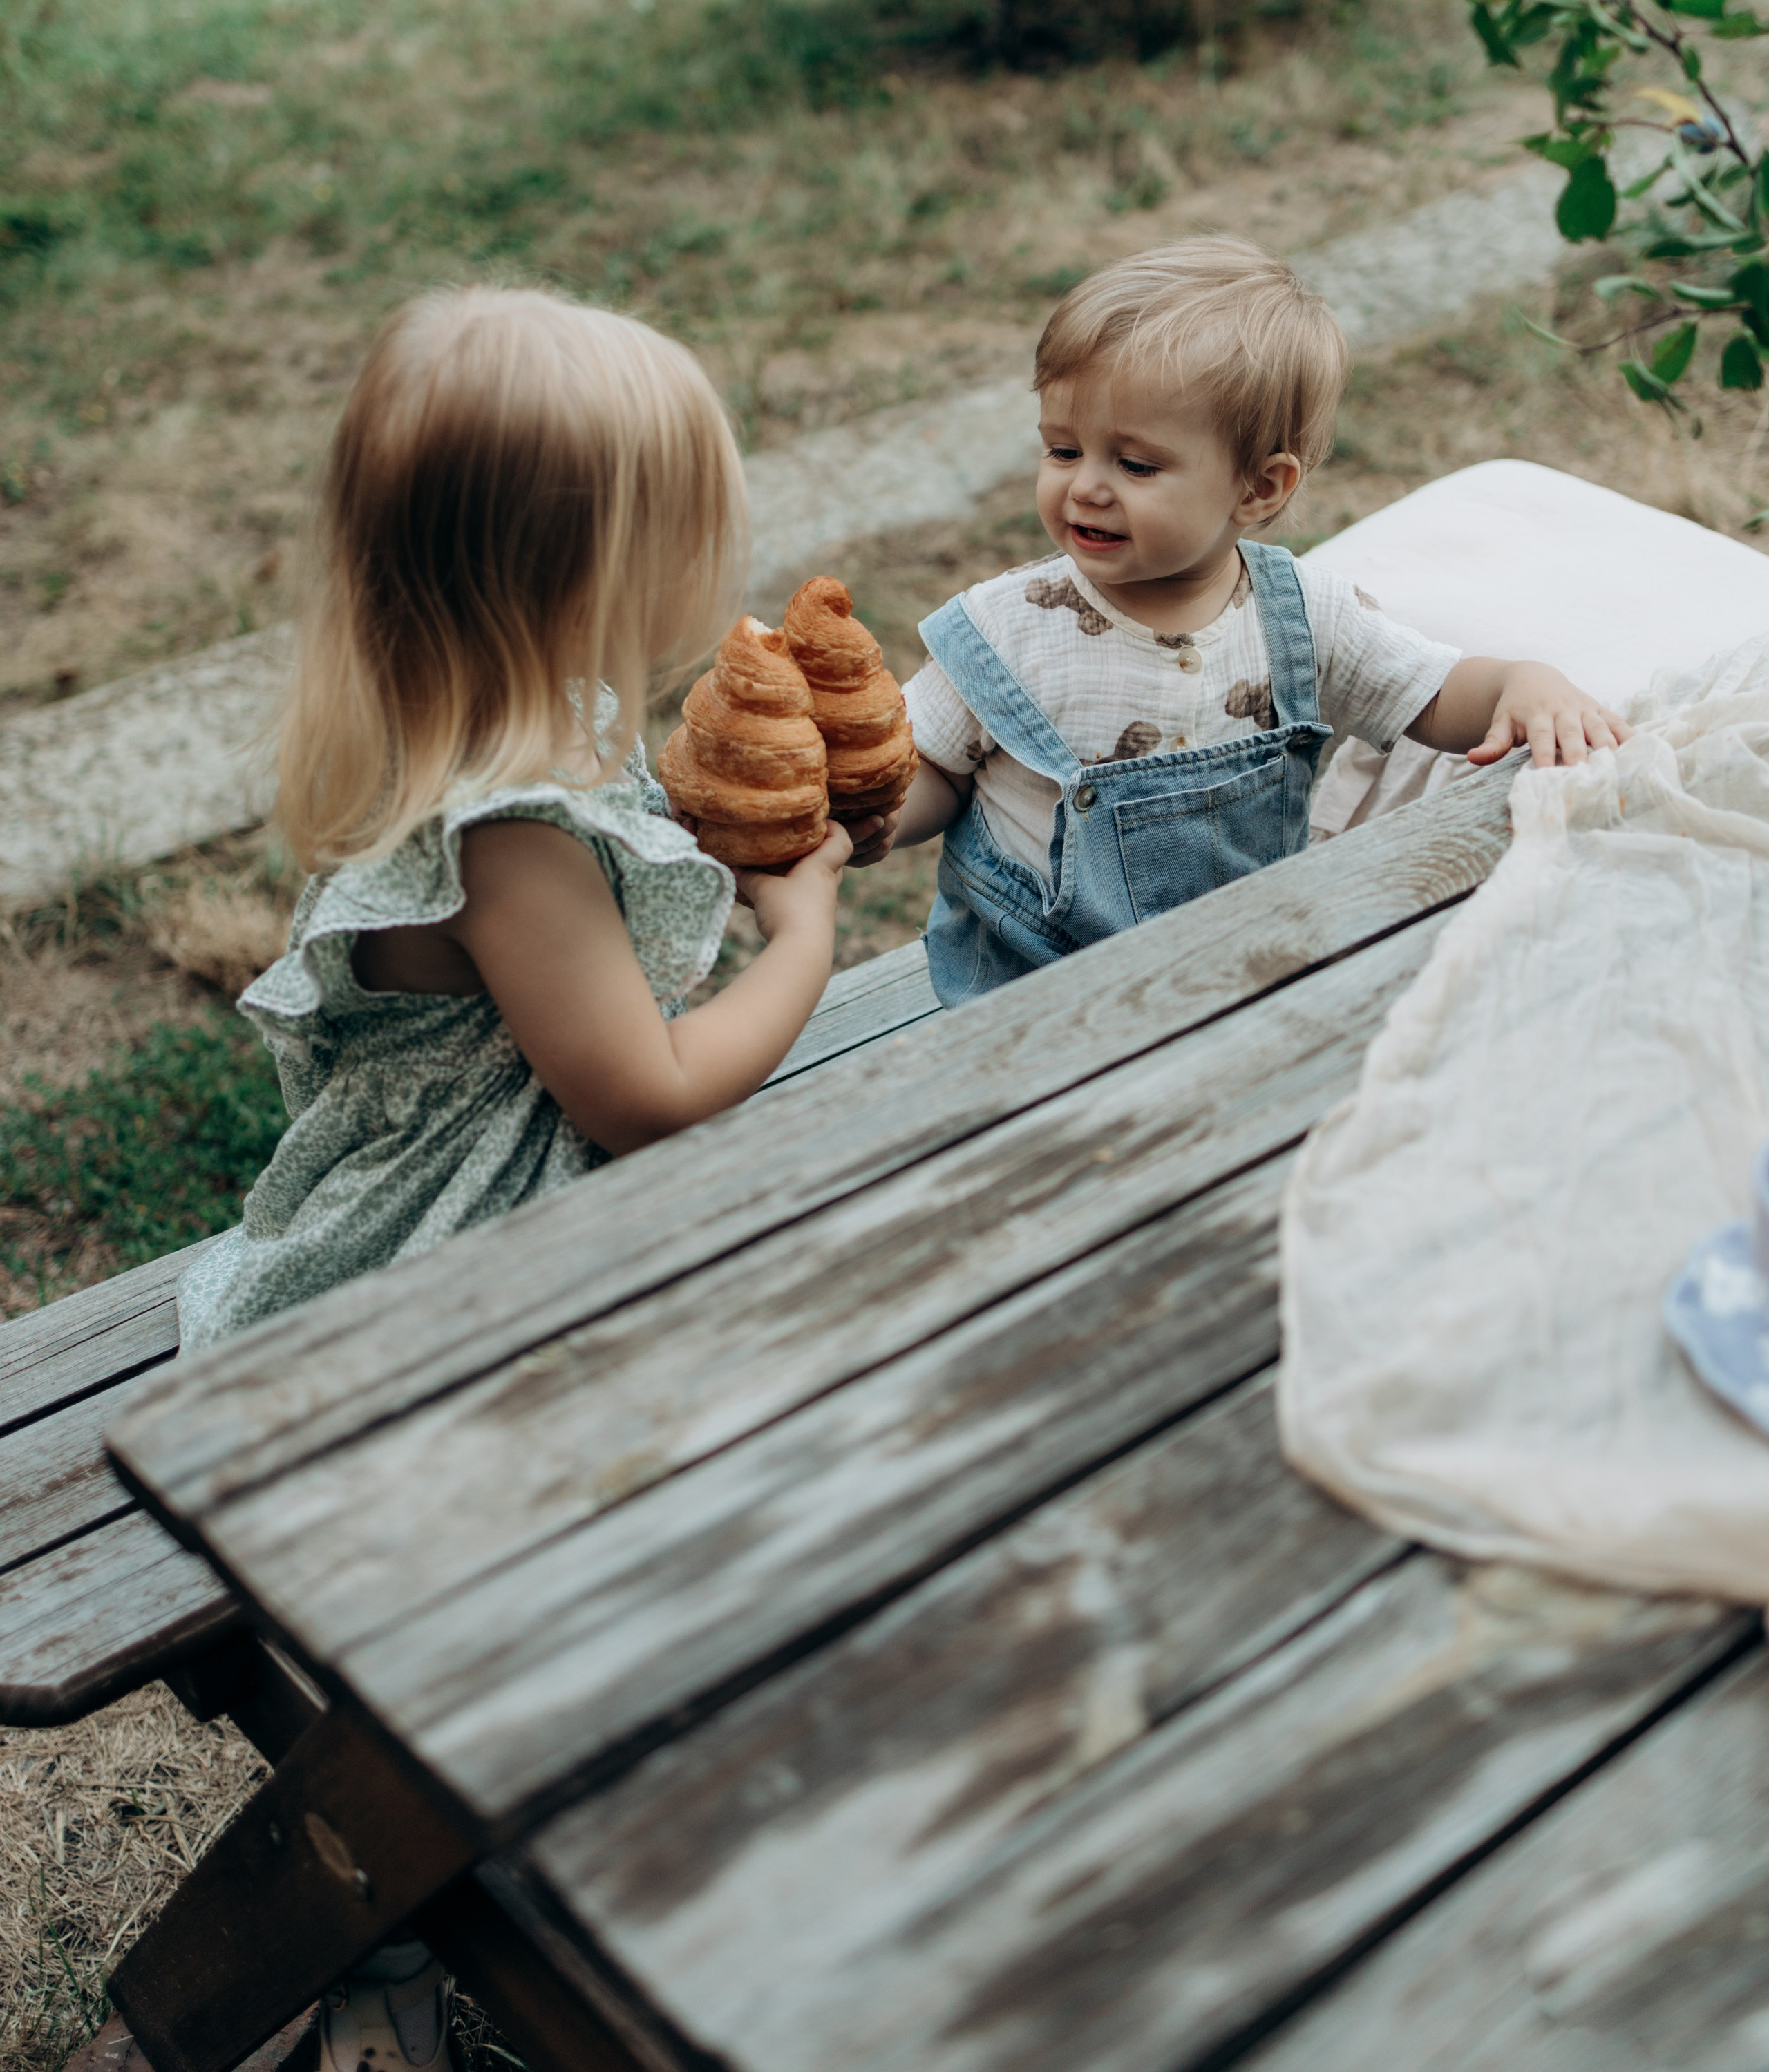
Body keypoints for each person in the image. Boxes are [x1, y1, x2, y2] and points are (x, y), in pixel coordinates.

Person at [175, 284, 855, 2071]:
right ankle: (389, 1938)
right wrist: (809, 932)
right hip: (454, 1274)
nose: (713, 555)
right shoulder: (510, 830)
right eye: (682, 529)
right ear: (566, 568)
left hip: (513, 1201)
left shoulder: (530, 724)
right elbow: (646, 1093)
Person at [880, 238, 1629, 1008]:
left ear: (1258, 488)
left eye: (1135, 465)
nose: (1086, 488)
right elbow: (931, 763)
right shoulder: (1010, 626)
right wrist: (866, 816)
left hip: (1240, 973)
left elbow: (1431, 695)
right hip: (1027, 991)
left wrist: (1519, 682)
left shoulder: (1299, 618)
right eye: (1063, 450)